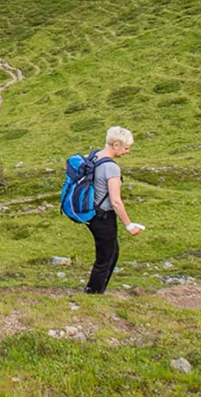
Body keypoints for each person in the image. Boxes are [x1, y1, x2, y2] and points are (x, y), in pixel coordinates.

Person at [84, 126, 144, 295]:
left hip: (91, 212)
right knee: (106, 256)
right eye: (126, 148)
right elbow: (116, 201)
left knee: (111, 251)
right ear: (116, 144)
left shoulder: (95, 155)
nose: (127, 151)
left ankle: (96, 289)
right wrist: (129, 225)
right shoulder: (111, 168)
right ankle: (93, 292)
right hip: (103, 217)